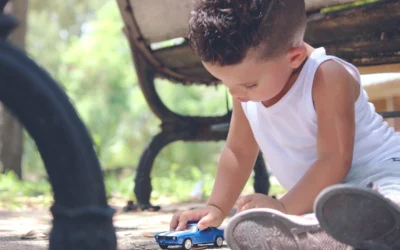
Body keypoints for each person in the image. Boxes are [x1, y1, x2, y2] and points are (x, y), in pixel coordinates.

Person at [170, 0, 400, 249]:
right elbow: (239, 151)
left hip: (382, 173)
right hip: (324, 199)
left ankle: (376, 222)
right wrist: (215, 208)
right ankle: (328, 235)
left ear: (295, 57)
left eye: (248, 85)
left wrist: (283, 207)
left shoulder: (327, 76)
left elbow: (334, 160)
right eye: (226, 84)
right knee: (325, 214)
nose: (236, 94)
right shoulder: (246, 90)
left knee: (389, 196)